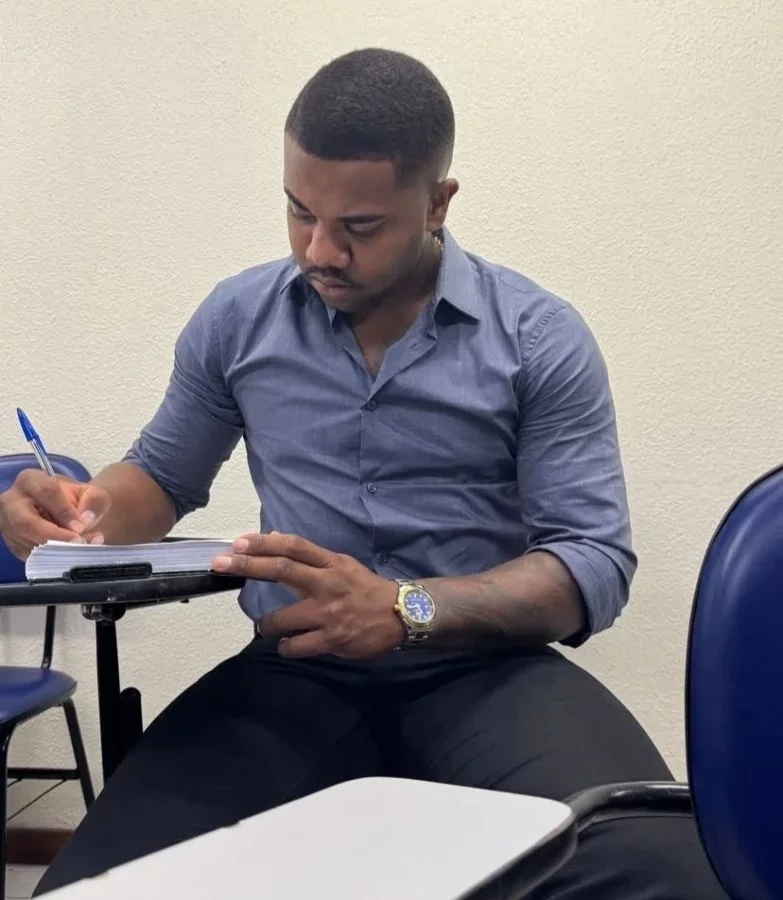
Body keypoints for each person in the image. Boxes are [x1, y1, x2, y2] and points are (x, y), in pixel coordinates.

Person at [1, 48, 724, 898]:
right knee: (98, 886)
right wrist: (79, 514)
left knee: (666, 871)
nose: (320, 250)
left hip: (485, 669)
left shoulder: (537, 337)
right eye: (298, 211)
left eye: (360, 226)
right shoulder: (237, 321)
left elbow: (591, 561)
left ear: (437, 202)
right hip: (292, 673)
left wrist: (405, 608)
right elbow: (159, 477)